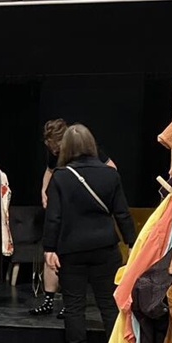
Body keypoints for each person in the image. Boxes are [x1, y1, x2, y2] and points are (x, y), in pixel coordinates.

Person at [42, 124, 136, 343]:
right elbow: (122, 214)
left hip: (71, 250)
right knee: (109, 305)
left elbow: (54, 217)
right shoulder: (110, 176)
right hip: (106, 248)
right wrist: (132, 242)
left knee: (74, 306)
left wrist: (49, 248)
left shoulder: (61, 176)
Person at [33, 118, 117, 316]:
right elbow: (49, 170)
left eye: (54, 145)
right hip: (62, 206)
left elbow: (111, 169)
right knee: (51, 250)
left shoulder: (86, 149)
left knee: (69, 257)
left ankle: (69, 302)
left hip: (80, 213)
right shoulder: (53, 152)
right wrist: (44, 190)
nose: (52, 150)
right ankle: (48, 300)